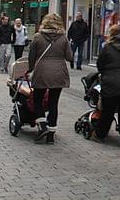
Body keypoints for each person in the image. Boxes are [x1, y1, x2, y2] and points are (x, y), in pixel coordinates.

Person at [28, 13, 73, 144]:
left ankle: (42, 126)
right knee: (54, 103)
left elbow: (32, 56)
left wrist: (31, 69)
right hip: (59, 72)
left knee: (37, 99)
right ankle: (51, 134)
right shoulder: (63, 38)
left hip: (42, 71)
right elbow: (69, 57)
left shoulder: (37, 37)